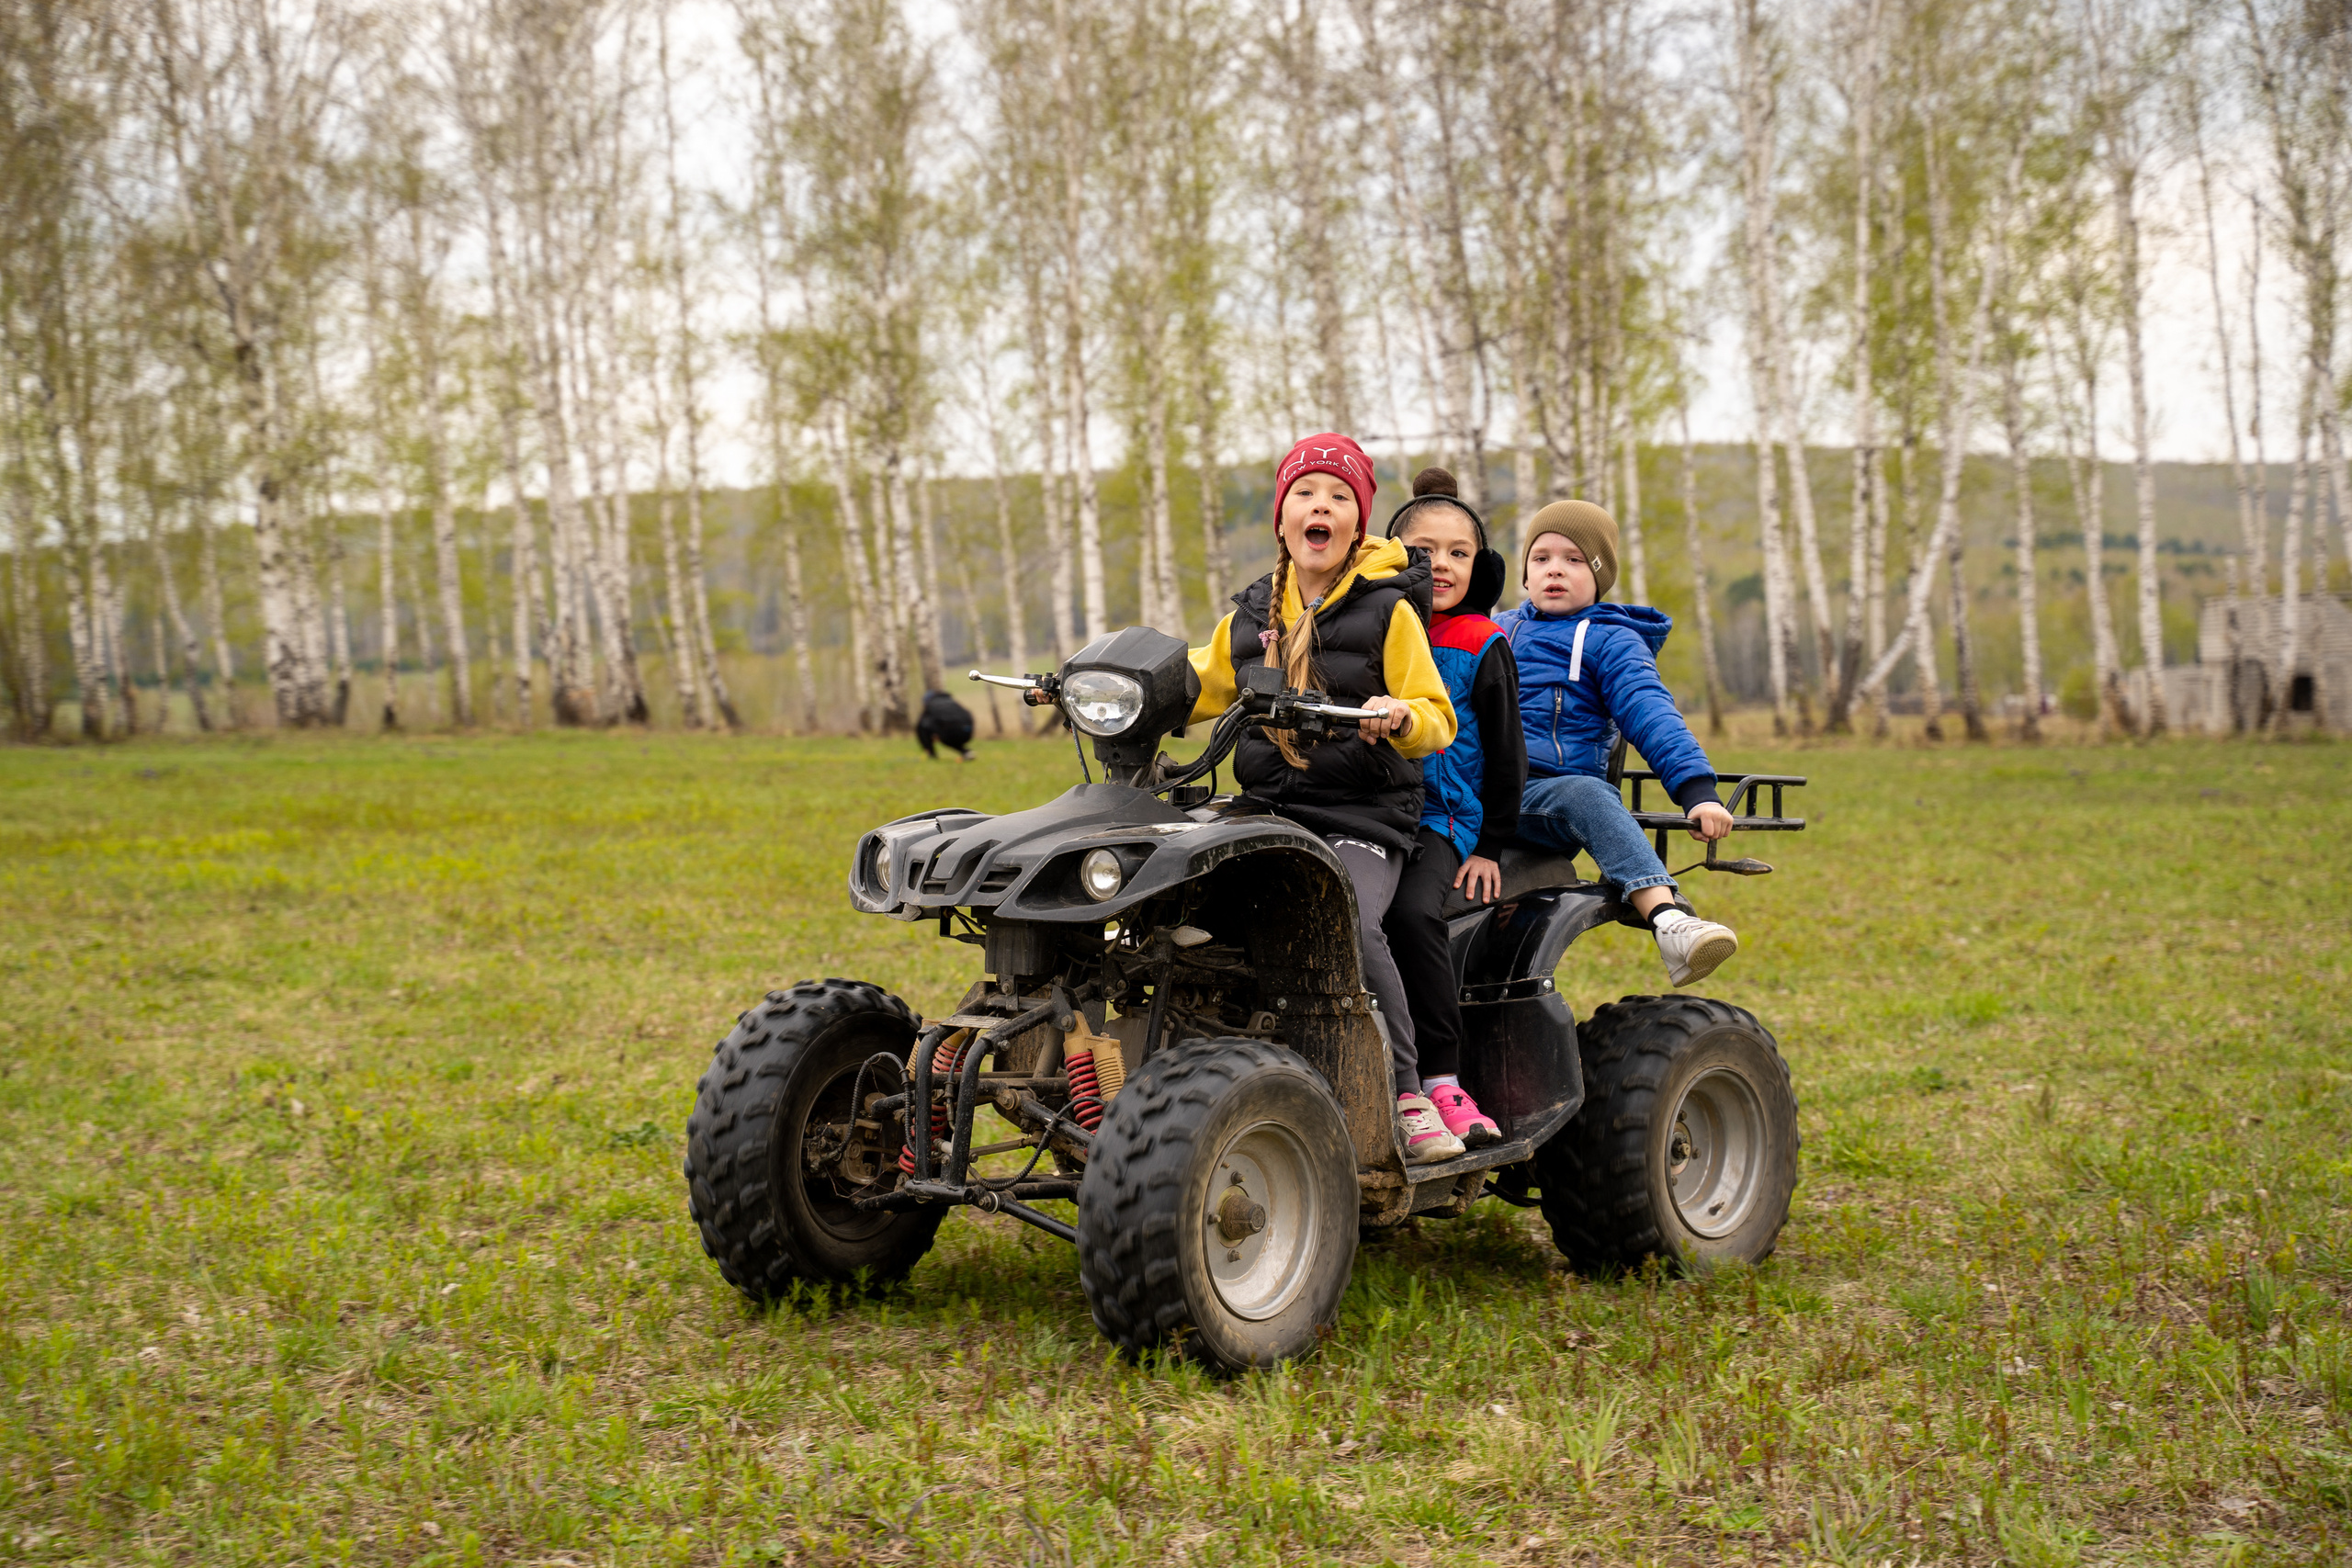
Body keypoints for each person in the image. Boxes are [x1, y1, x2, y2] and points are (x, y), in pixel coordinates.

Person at [1186, 434, 1466, 1164]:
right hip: (1267, 809)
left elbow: (1438, 714)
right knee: (1175, 893)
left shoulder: (1387, 611)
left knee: (1346, 917)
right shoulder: (1250, 618)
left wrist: (1402, 716)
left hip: (1360, 815)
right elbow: (1194, 685)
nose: (1322, 505)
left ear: (1358, 525)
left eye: (1340, 497)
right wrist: (1116, 686)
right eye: (1306, 493)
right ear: (1281, 518)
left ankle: (1406, 1094)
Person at [1501, 501, 1741, 988]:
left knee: (1586, 793)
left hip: (1545, 796)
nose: (1554, 570)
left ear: (1598, 576)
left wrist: (1698, 791)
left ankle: (1668, 919)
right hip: (1474, 790)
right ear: (1525, 572)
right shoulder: (1496, 628)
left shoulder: (1611, 641)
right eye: (1541, 558)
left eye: (1573, 560)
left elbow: (1650, 712)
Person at [1377, 467, 1526, 1151]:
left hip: (1440, 815)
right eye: (1424, 550)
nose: (1441, 564)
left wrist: (1491, 843)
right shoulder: (1374, 625)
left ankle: (1440, 1075)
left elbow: (1506, 752)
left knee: (1411, 913)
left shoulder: (1480, 642)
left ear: (1480, 564)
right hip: (1371, 807)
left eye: (1459, 552)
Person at [916, 690, 977, 761]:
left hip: (950, 733)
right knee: (946, 733)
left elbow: (922, 725)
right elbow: (968, 714)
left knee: (922, 728)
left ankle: (931, 754)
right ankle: (966, 752)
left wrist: (933, 733)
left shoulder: (931, 705)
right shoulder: (951, 701)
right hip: (967, 732)